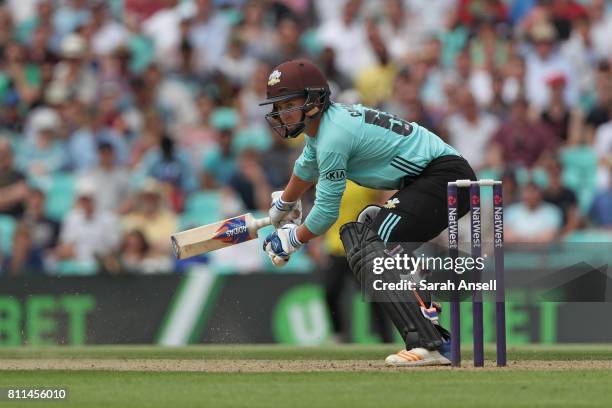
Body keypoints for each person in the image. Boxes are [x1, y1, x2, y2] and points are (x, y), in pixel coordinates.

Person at [259, 59, 476, 367]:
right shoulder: (323, 128)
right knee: (363, 233)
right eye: (279, 106)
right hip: (431, 179)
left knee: (373, 240)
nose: (282, 114)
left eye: (289, 104)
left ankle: (430, 342)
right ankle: (430, 296)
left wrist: (293, 239)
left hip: (445, 178)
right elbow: (305, 168)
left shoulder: (333, 137)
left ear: (314, 100)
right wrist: (284, 204)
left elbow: (325, 212)